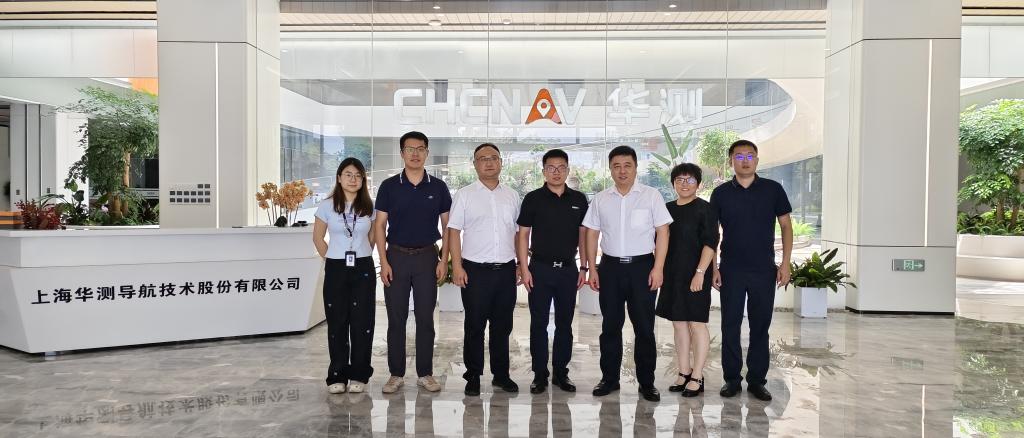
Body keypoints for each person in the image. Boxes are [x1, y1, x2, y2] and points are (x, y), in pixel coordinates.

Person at [583, 145, 672, 402]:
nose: (622, 171)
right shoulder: (601, 199)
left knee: (644, 327)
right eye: (616, 166)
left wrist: (658, 268)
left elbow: (663, 232)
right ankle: (609, 379)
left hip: (642, 268)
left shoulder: (651, 195)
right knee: (610, 326)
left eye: (627, 165)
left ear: (635, 168)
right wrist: (592, 268)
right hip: (610, 268)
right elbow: (592, 233)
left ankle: (647, 382)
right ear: (610, 169)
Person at [710, 139, 793, 402]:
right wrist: (714, 267)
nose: (744, 161)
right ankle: (732, 380)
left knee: (760, 327)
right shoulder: (721, 193)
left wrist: (786, 263)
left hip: (763, 270)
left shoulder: (773, 189)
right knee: (730, 326)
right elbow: (712, 234)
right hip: (731, 270)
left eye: (749, 156)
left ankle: (757, 381)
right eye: (739, 156)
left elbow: (786, 226)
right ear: (731, 161)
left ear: (757, 160)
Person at [373, 131, 452, 394]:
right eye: (410, 149)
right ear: (402, 153)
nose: (415, 154)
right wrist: (383, 261)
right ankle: (395, 374)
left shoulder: (438, 187)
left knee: (425, 318)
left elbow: (448, 226)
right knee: (396, 318)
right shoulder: (389, 186)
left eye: (420, 149)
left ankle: (425, 373)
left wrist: (443, 259)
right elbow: (380, 226)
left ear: (427, 152)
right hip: (395, 257)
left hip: (427, 257)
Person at [448, 143, 522, 397]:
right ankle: (473, 376)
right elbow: (454, 231)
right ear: (475, 164)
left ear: (501, 162)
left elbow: (518, 234)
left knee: (502, 326)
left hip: (506, 270)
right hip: (475, 271)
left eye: (493, 158)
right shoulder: (465, 195)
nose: (489, 162)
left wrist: (520, 264)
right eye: (483, 159)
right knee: (475, 326)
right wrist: (457, 266)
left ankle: (501, 375)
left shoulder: (512, 195)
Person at [516, 149, 589, 394]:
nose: (556, 172)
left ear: (568, 170)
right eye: (551, 167)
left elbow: (583, 236)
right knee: (538, 323)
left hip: (568, 270)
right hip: (539, 269)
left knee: (565, 324)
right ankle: (539, 374)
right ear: (544, 171)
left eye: (561, 167)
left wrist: (584, 267)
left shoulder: (579, 199)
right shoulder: (533, 199)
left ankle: (560, 373)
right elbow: (523, 235)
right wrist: (524, 267)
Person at [312, 157, 377, 394]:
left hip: (363, 266)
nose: (353, 179)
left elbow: (372, 237)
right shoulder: (327, 205)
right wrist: (332, 257)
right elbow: (318, 237)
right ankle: (337, 375)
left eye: (358, 175)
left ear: (363, 180)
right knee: (337, 322)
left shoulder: (369, 206)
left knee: (363, 322)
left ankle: (360, 373)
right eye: (348, 174)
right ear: (339, 178)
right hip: (336, 267)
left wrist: (362, 252)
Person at [655, 163, 719, 398]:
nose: (684, 184)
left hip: (696, 274)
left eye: (690, 180)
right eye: (679, 180)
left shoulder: (705, 209)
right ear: (673, 183)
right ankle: (683, 371)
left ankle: (697, 376)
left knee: (696, 323)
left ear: (698, 184)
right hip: (672, 274)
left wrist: (701, 272)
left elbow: (711, 242)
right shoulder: (666, 209)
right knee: (679, 323)